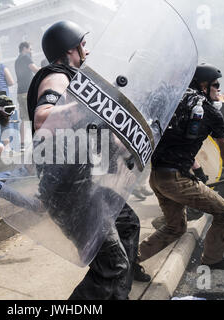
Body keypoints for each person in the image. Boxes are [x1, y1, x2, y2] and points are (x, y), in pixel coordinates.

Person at [27, 20, 150, 300]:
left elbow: (97, 130)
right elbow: (43, 117)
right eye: (82, 45)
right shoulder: (57, 76)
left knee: (128, 224)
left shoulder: (76, 82)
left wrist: (129, 148)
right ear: (69, 49)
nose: (87, 51)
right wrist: (89, 106)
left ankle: (118, 296)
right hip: (68, 194)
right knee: (113, 265)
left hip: (83, 186)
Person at [138, 63, 224, 271]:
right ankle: (213, 259)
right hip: (176, 180)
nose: (219, 89)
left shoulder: (173, 102)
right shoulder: (211, 112)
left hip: (157, 176)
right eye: (216, 85)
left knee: (175, 227)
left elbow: (175, 141)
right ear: (204, 85)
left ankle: (131, 261)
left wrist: (197, 170)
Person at [15, 42, 40, 149]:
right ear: (25, 48)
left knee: (24, 119)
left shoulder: (17, 60)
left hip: (20, 92)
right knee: (34, 116)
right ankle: (36, 142)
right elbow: (35, 70)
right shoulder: (26, 57)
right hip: (28, 92)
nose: (31, 50)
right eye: (30, 48)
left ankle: (22, 144)